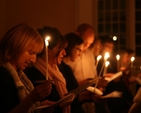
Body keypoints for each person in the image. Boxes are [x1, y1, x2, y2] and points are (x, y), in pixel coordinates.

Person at [0, 23, 52, 113]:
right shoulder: (2, 75)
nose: (34, 60)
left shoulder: (20, 75)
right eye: (31, 53)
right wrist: (31, 99)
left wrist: (39, 107)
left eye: (36, 54)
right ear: (15, 47)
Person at [25, 26, 71, 113]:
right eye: (60, 49)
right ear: (47, 50)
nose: (64, 53)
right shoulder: (35, 74)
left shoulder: (58, 70)